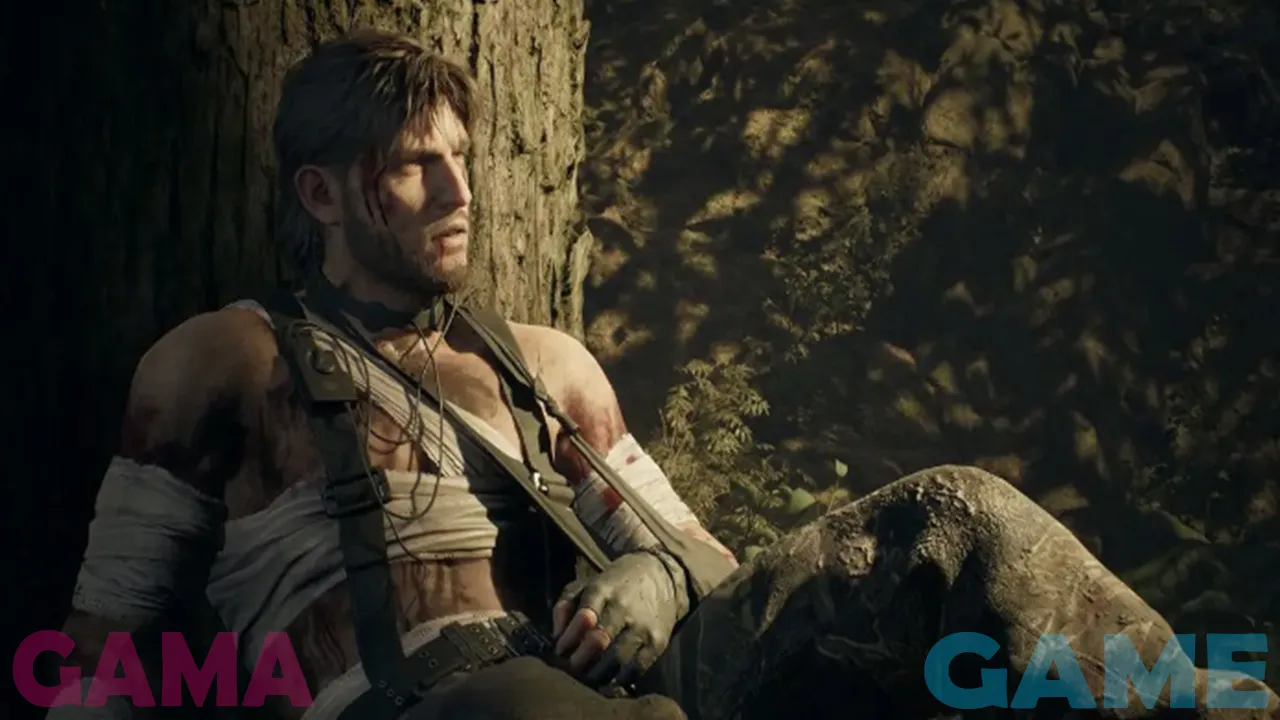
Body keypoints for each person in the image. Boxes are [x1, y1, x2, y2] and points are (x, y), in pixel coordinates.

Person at [54, 29, 1277, 720]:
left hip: (641, 678)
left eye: (463, 157)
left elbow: (706, 560)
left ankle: (1195, 706)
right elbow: (100, 653)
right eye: (416, 166)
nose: (461, 190)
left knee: (957, 516)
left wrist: (653, 570)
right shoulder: (223, 363)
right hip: (432, 699)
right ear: (321, 195)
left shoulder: (539, 365)